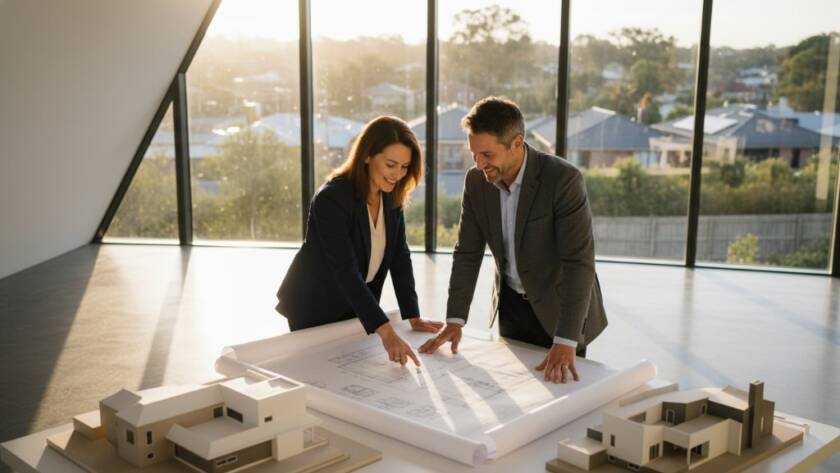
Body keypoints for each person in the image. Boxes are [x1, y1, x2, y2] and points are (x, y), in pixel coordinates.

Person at [419, 97, 608, 384]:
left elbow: (578, 263)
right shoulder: (476, 182)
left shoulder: (563, 180)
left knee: (562, 393)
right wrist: (455, 320)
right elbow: (467, 252)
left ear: (517, 143)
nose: (479, 164)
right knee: (517, 389)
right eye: (474, 154)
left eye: (487, 154)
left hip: (560, 309)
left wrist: (566, 339)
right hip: (511, 309)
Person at [276, 116, 443, 366]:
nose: (398, 174)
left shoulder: (391, 197)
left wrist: (413, 315)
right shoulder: (331, 199)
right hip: (314, 305)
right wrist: (386, 332)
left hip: (355, 305)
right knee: (320, 373)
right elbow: (345, 270)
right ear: (367, 156)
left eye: (405, 167)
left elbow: (400, 257)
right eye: (390, 164)